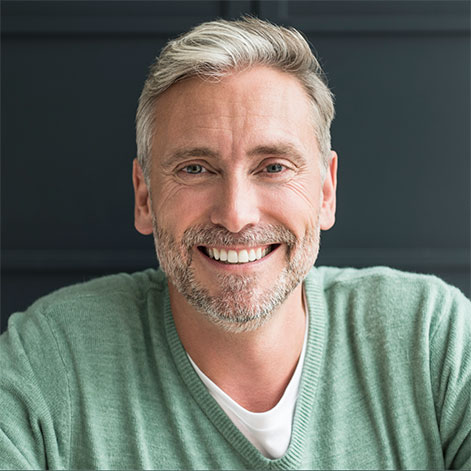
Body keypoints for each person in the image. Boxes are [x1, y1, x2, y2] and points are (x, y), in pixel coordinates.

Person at [0, 17, 469, 470]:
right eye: (195, 169)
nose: (236, 214)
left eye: (274, 167)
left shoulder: (432, 339)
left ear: (326, 192)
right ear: (144, 196)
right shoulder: (49, 361)